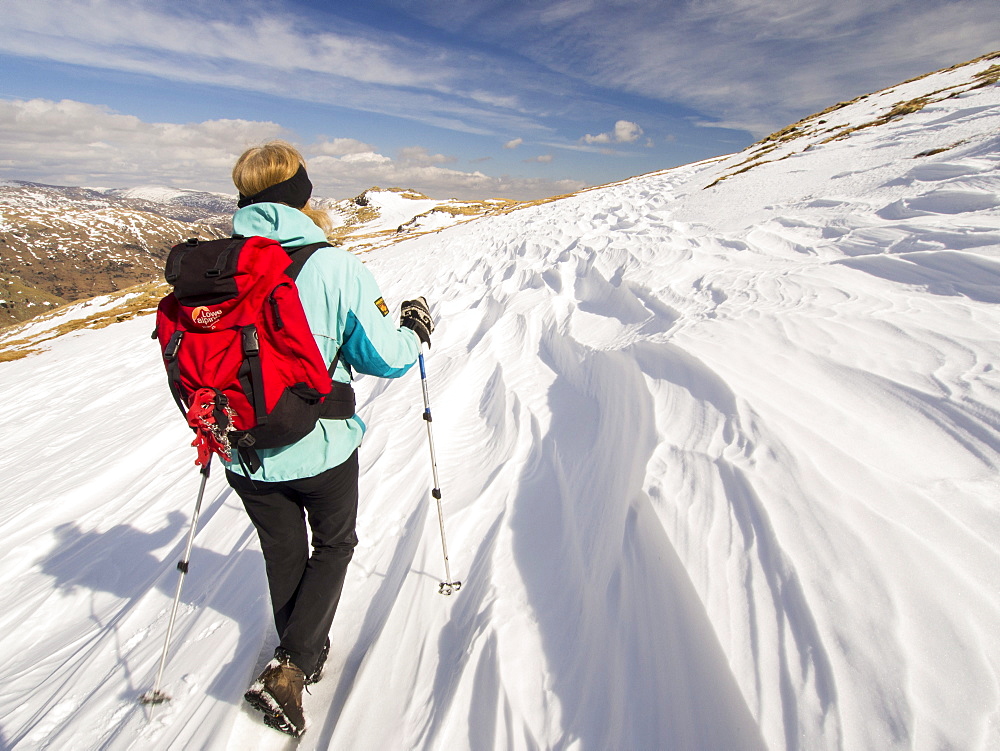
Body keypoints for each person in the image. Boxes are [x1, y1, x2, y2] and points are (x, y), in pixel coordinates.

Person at [225, 140, 433, 737]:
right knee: (335, 545)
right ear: (302, 196)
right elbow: (386, 358)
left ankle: (296, 652)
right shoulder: (332, 264)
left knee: (281, 547)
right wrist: (412, 330)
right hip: (319, 441)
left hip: (243, 445)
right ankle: (293, 666)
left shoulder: (221, 262)